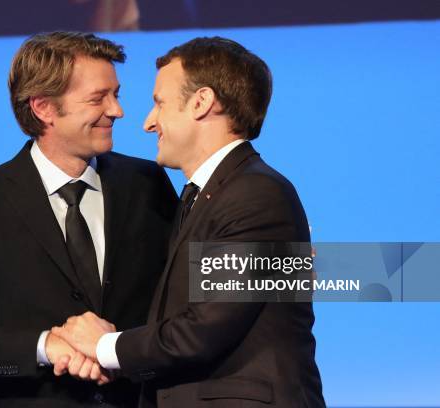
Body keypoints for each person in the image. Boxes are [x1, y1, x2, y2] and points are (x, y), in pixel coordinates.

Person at [52, 37, 326, 407]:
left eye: (159, 103)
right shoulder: (206, 196)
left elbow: (204, 329)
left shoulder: (254, 194)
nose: (149, 123)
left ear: (201, 102)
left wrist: (102, 346)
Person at [0, 31, 178, 407]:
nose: (117, 110)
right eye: (98, 98)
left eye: (115, 94)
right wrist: (43, 347)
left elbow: (180, 301)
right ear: (44, 108)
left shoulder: (147, 183)